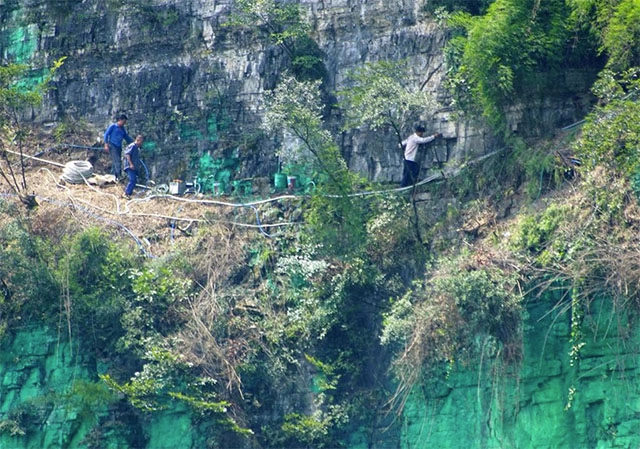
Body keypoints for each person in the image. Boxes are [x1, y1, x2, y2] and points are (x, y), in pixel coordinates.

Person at [104, 114, 134, 181]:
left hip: (118, 147)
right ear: (119, 120)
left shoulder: (123, 129)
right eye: (123, 121)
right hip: (112, 145)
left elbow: (126, 137)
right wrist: (106, 144)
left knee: (115, 162)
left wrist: (133, 143)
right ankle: (119, 176)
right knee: (117, 161)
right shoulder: (113, 126)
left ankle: (113, 176)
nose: (124, 123)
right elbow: (106, 134)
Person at [122, 135, 144, 199]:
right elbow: (127, 154)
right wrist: (131, 164)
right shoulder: (133, 146)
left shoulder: (136, 148)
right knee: (132, 180)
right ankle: (126, 193)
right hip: (130, 166)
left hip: (133, 167)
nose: (141, 143)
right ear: (138, 140)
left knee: (134, 180)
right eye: (141, 142)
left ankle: (129, 194)